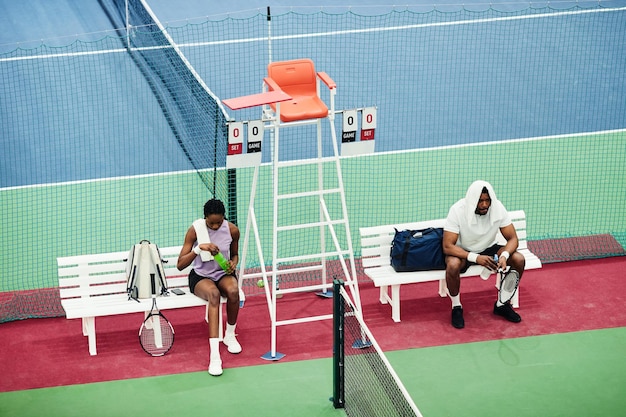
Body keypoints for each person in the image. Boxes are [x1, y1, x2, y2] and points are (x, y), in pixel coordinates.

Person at [442, 180, 526, 329]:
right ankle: (456, 307)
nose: (485, 205)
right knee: (453, 265)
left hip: (489, 249)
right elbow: (448, 246)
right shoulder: (457, 210)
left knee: (518, 259)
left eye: (487, 200)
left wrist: (504, 255)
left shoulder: (497, 208)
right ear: (472, 201)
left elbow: (513, 239)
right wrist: (475, 258)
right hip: (463, 251)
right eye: (480, 201)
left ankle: (501, 304)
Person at [177, 198, 241, 376]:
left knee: (234, 291)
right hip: (200, 276)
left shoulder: (232, 230)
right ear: (205, 218)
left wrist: (233, 264)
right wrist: (199, 249)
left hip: (222, 273)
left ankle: (229, 335)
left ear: (223, 218)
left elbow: (235, 254)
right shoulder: (195, 230)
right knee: (213, 295)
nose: (214, 226)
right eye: (211, 223)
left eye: (218, 222)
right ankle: (215, 357)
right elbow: (180, 264)